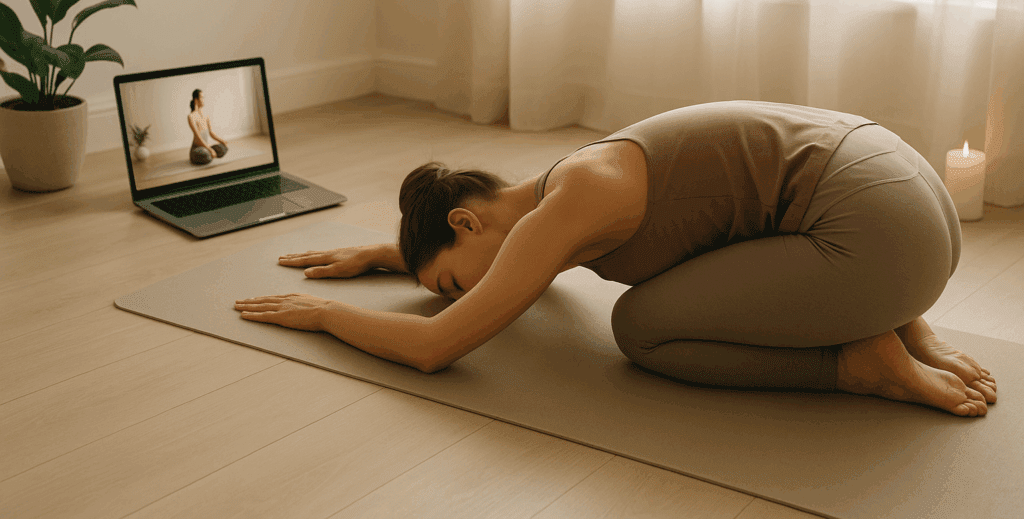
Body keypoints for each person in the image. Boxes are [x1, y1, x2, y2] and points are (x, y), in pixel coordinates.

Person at [233, 101, 997, 417]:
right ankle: (904, 320)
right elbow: (513, 263)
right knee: (719, 252)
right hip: (907, 192)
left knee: (643, 327)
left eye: (451, 280)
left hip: (882, 238)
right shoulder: (570, 180)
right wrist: (387, 254)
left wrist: (327, 314)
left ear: (466, 219)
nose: (464, 295)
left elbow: (437, 347)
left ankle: (859, 360)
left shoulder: (566, 207)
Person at [188, 89, 229, 165]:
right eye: (202, 97)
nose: (203, 100)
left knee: (224, 148)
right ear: (196, 100)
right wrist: (210, 149)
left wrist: (222, 140)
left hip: (206, 146)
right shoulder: (191, 117)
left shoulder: (206, 116)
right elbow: (198, 137)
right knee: (206, 155)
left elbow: (211, 132)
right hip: (197, 148)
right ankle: (208, 154)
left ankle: (209, 153)